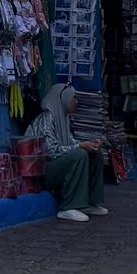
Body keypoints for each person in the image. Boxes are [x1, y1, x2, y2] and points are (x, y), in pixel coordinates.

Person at [35, 83, 109, 222]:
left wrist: (91, 144)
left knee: (94, 154)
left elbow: (69, 142)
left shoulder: (63, 117)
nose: (77, 101)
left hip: (56, 164)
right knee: (79, 154)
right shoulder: (47, 118)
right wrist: (80, 146)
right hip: (44, 169)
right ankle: (68, 207)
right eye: (74, 97)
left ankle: (89, 202)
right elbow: (50, 150)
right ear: (64, 98)